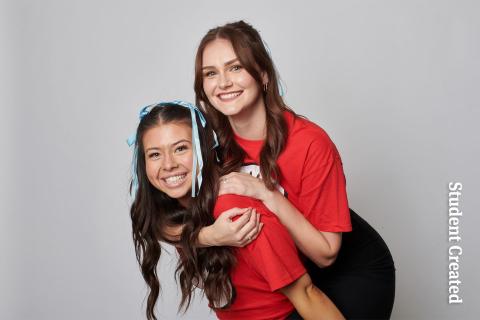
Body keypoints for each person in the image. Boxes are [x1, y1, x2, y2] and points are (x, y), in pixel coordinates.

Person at [192, 20, 396, 319]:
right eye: (211, 73)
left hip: (351, 270)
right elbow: (167, 221)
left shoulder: (310, 143)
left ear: (262, 74)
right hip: (296, 274)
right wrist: (208, 236)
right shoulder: (208, 148)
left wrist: (266, 194)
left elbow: (326, 253)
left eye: (235, 67)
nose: (223, 82)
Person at [128, 101, 344, 320]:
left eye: (181, 148)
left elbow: (306, 294)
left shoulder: (235, 213)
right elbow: (156, 226)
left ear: (204, 149)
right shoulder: (174, 210)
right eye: (155, 154)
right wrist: (207, 237)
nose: (168, 164)